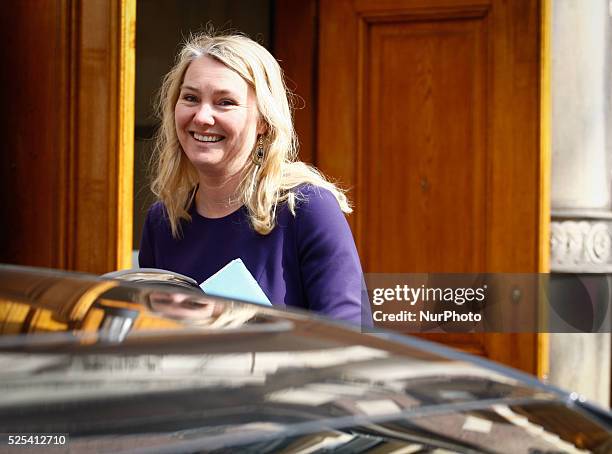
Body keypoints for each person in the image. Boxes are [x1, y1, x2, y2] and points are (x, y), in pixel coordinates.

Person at [138, 32, 370, 326]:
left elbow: (349, 337)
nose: (202, 116)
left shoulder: (307, 209)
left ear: (263, 121)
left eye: (225, 102)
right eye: (191, 98)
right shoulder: (164, 220)